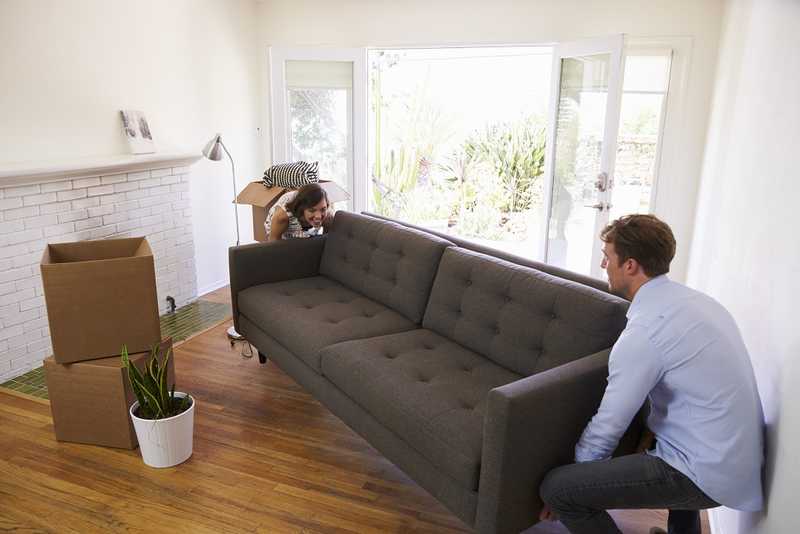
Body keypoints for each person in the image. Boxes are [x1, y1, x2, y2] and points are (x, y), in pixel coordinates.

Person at [538, 214, 764, 534]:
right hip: (733, 458)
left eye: (607, 257)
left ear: (630, 265)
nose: (604, 265)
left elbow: (609, 425)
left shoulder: (645, 332)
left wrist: (572, 485)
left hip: (703, 472)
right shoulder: (697, 303)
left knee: (558, 488)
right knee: (663, 436)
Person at [265, 183, 332, 241]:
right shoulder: (282, 217)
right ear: (302, 209)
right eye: (312, 210)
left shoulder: (328, 215)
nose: (318, 216)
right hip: (281, 225)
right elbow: (272, 245)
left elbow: (326, 242)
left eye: (323, 209)